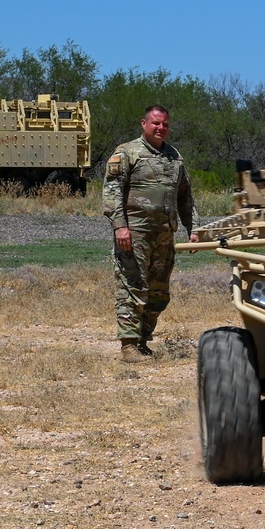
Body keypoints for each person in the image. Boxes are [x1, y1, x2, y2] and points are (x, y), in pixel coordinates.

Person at [102, 105, 199, 363]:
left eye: (165, 124)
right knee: (132, 286)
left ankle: (143, 339)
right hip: (135, 233)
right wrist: (120, 226)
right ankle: (128, 345)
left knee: (158, 291)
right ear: (143, 124)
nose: (160, 128)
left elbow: (185, 198)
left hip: (165, 234)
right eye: (155, 123)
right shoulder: (127, 152)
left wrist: (194, 229)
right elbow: (112, 193)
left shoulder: (174, 157)